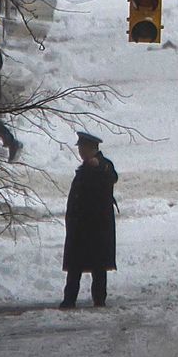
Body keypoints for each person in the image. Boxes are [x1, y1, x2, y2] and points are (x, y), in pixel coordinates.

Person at [61, 131, 118, 308]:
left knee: (98, 265)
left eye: (83, 148)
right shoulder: (84, 168)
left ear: (91, 148)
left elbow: (112, 175)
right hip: (80, 225)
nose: (81, 152)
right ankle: (69, 299)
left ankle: (99, 298)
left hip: (96, 226)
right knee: (75, 265)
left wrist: (99, 165)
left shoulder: (102, 165)